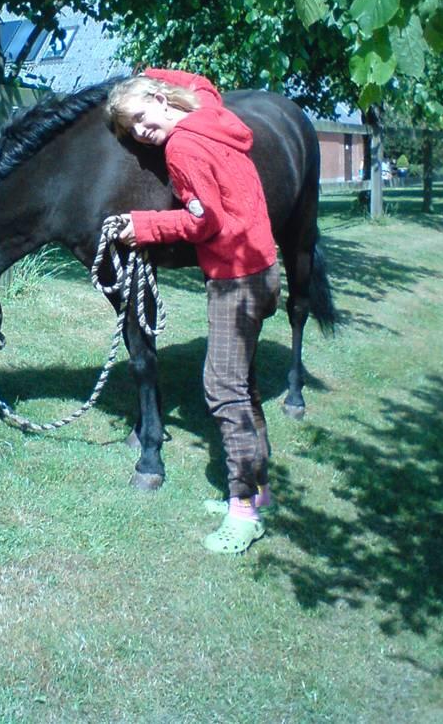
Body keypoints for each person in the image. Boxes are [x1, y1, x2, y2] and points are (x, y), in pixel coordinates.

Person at [106, 68, 280, 554]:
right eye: (132, 129)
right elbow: (200, 81)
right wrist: (146, 76)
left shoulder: (181, 148)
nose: (142, 131)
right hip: (264, 268)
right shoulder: (210, 114)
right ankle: (259, 492)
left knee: (223, 390)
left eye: (142, 117)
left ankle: (242, 511)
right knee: (243, 383)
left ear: (162, 100)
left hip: (234, 279)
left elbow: (204, 223)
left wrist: (142, 226)